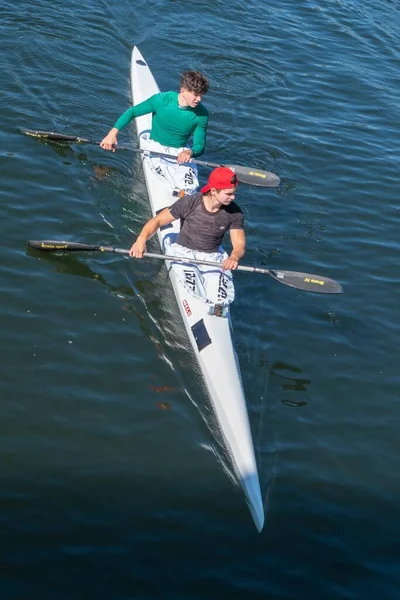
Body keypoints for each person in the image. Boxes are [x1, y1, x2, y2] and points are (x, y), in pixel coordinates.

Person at [129, 167, 245, 308]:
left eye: (234, 193)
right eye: (229, 194)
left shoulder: (235, 212)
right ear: (214, 191)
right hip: (184, 253)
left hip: (212, 257)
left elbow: (239, 245)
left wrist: (234, 257)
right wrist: (141, 240)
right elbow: (157, 221)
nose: (233, 198)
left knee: (221, 300)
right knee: (195, 293)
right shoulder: (190, 202)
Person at [100, 70, 209, 194]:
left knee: (190, 188)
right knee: (164, 182)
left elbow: (200, 146)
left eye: (201, 95)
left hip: (180, 152)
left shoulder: (202, 114)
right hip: (155, 147)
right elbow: (132, 112)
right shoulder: (162, 100)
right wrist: (112, 134)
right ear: (183, 90)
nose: (199, 99)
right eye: (195, 94)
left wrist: (190, 151)